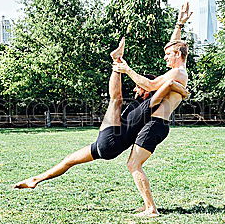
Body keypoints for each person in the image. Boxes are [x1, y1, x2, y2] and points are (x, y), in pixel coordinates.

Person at [14, 38, 188, 191]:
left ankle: (115, 62)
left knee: (115, 100)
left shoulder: (148, 106)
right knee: (69, 160)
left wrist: (180, 89)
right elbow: (167, 79)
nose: (135, 87)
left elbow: (158, 86)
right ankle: (35, 180)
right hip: (106, 146)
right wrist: (180, 88)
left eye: (138, 87)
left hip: (111, 140)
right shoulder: (142, 105)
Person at [112, 2, 193, 217]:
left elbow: (149, 85)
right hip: (153, 123)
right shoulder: (178, 69)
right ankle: (148, 205)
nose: (165, 57)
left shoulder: (177, 74)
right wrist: (179, 24)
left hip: (156, 125)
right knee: (133, 163)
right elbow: (173, 45)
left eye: (168, 54)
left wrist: (127, 69)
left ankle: (151, 208)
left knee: (133, 164)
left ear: (178, 54)